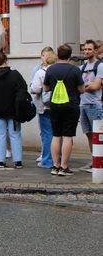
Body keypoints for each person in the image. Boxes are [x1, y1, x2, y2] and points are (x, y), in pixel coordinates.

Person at [44, 44, 85, 176]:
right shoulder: (75, 70)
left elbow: (45, 88)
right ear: (70, 56)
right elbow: (82, 89)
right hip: (71, 105)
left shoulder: (50, 69)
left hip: (55, 105)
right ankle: (64, 166)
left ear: (58, 54)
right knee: (67, 136)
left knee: (56, 135)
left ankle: (55, 166)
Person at [78, 40, 103, 172]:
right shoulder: (82, 67)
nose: (87, 51)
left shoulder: (100, 66)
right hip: (83, 105)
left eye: (89, 49)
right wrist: (86, 86)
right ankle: (94, 160)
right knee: (88, 134)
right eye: (85, 49)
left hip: (94, 104)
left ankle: (100, 161)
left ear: (95, 50)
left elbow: (96, 86)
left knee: (97, 135)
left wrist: (83, 87)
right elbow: (79, 86)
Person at [30, 51, 57, 168]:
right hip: (58, 105)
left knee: (47, 134)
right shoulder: (59, 71)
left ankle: (47, 160)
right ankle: (58, 159)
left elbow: (35, 89)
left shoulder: (40, 72)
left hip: (44, 106)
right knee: (58, 133)